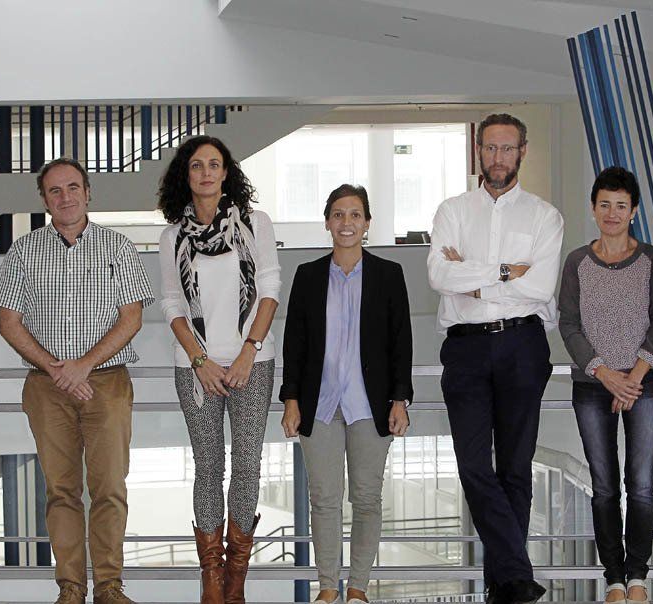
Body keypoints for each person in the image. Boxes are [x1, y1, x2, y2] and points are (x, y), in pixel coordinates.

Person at [0, 158, 155, 604]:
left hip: (107, 382)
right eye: (55, 191)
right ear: (44, 200)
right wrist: (59, 369)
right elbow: (9, 322)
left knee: (109, 489)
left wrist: (83, 365)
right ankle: (71, 588)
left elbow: (132, 318)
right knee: (61, 491)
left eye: (73, 187)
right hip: (47, 388)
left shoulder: (118, 247)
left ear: (88, 192)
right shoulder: (24, 251)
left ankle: (110, 587)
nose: (65, 197)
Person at [427, 113, 563, 604]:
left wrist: (474, 277)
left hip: (522, 345)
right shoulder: (453, 211)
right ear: (477, 151)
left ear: (522, 151)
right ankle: (516, 574)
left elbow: (540, 287)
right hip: (465, 347)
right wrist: (506, 272)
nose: (498, 157)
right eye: (490, 148)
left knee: (515, 468)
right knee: (472, 465)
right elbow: (440, 276)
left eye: (507, 148)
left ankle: (505, 585)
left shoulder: (545, 216)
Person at [157, 135, 280, 604]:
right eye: (196, 165)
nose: (206, 172)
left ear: (226, 172)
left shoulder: (255, 224)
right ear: (185, 175)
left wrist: (249, 350)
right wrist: (200, 360)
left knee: (247, 465)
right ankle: (211, 575)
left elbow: (269, 289)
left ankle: (236, 579)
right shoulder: (173, 237)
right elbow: (172, 304)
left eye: (214, 164)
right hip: (197, 367)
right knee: (208, 467)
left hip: (254, 363)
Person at [280, 184, 413, 604]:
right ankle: (327, 587)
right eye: (338, 214)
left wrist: (400, 399)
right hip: (318, 403)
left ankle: (357, 588)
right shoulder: (308, 275)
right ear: (327, 222)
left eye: (355, 214)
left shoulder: (389, 274)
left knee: (367, 497)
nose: (346, 223)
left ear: (367, 223)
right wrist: (290, 400)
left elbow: (401, 341)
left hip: (369, 404)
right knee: (323, 499)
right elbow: (294, 342)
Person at [558, 167, 653, 604]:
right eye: (604, 204)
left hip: (644, 384)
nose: (612, 213)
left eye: (620, 206)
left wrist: (633, 378)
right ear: (593, 209)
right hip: (593, 385)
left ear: (634, 211)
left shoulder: (651, 260)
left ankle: (638, 574)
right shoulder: (577, 262)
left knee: (640, 483)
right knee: (604, 484)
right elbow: (569, 325)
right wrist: (606, 374)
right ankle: (614, 579)